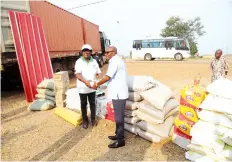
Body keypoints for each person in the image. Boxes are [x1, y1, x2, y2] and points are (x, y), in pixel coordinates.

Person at [92, 46, 128, 148]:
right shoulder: (115, 60)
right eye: (105, 52)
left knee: (119, 117)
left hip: (119, 94)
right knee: (117, 116)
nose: (106, 54)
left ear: (114, 52)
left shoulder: (115, 61)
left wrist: (97, 84)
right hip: (117, 93)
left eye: (109, 52)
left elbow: (107, 77)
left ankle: (120, 140)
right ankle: (118, 134)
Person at [75, 44, 101, 129]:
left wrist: (97, 82)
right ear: (82, 52)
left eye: (88, 50)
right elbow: (78, 75)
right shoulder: (79, 62)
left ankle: (93, 119)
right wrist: (86, 82)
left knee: (92, 104)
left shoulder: (94, 61)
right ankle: (85, 120)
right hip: (82, 88)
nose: (86, 52)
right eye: (84, 51)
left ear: (90, 52)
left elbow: (98, 72)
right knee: (83, 104)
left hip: (92, 88)